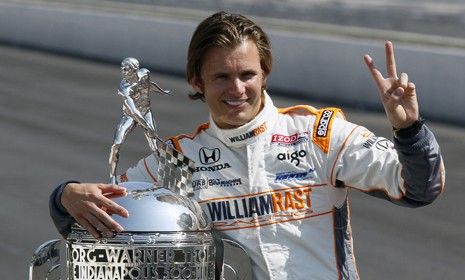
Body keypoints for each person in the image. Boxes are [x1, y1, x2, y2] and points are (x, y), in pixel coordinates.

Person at [49, 11, 445, 279]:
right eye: (221, 77)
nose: (237, 89)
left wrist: (409, 130)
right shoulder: (174, 160)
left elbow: (419, 188)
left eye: (247, 74)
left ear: (265, 75)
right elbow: (105, 221)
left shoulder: (320, 133)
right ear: (196, 82)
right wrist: (65, 195)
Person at [109, 57, 170, 184]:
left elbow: (149, 85)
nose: (123, 70)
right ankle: (113, 178)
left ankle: (165, 175)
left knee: (154, 145)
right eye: (122, 67)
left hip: (146, 111)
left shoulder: (145, 73)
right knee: (116, 145)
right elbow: (133, 111)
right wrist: (148, 126)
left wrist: (162, 91)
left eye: (127, 68)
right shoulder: (124, 88)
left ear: (135, 69)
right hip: (130, 116)